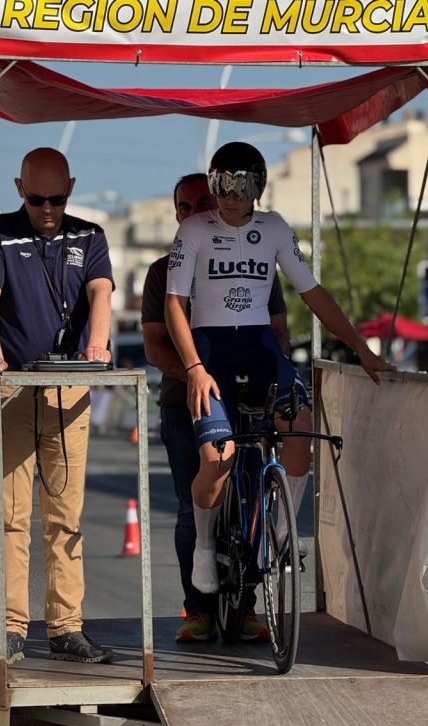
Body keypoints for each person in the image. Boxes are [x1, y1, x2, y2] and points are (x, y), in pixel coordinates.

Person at [164, 142, 392, 596]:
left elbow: (313, 293)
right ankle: (205, 544)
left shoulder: (274, 228)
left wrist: (360, 349)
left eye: (242, 186)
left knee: (300, 427)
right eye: (221, 185)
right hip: (210, 349)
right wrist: (193, 367)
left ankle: (280, 535)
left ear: (259, 187)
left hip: (259, 345)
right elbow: (175, 303)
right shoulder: (193, 230)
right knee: (219, 459)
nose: (231, 196)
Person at [143, 172, 289, 642]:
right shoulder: (162, 271)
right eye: (183, 207)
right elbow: (153, 345)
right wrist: (194, 375)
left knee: (251, 499)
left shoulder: (257, 259)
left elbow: (278, 332)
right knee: (193, 509)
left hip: (246, 397)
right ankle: (198, 608)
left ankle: (247, 607)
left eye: (201, 203)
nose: (192, 213)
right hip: (183, 402)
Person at [0, 147, 114, 666]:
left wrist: (98, 347)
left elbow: (101, 291)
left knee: (65, 514)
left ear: (71, 189)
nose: (48, 210)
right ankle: (10, 625)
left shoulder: (89, 235)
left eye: (58, 199)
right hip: (14, 389)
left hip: (68, 389)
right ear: (20, 189)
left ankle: (67, 627)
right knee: (12, 514)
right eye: (38, 199)